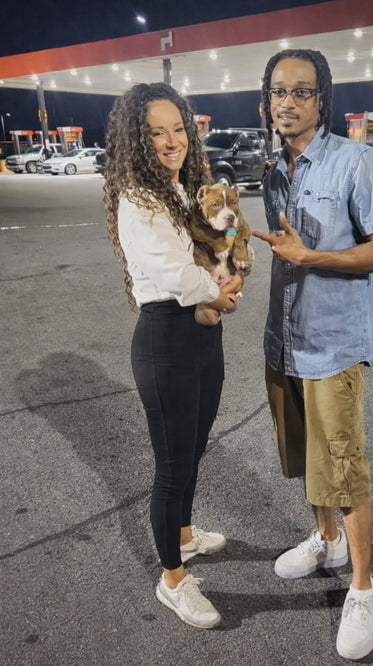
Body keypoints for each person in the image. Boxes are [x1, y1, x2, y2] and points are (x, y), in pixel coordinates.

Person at [252, 50, 373, 660]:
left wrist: (312, 257)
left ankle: (362, 587)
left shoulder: (355, 162)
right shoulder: (272, 170)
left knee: (344, 462)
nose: (287, 102)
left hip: (334, 344)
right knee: (308, 454)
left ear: (322, 100)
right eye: (278, 91)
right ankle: (326, 539)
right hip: (283, 338)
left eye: (301, 92)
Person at [103, 82, 243, 629]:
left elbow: (212, 247)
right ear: (137, 140)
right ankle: (173, 581)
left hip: (202, 336)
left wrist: (228, 278)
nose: (171, 141)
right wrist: (220, 292)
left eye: (178, 129)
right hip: (166, 339)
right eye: (157, 133)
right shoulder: (138, 198)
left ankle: (183, 536)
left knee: (195, 448)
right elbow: (177, 274)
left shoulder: (178, 190)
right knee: (171, 467)